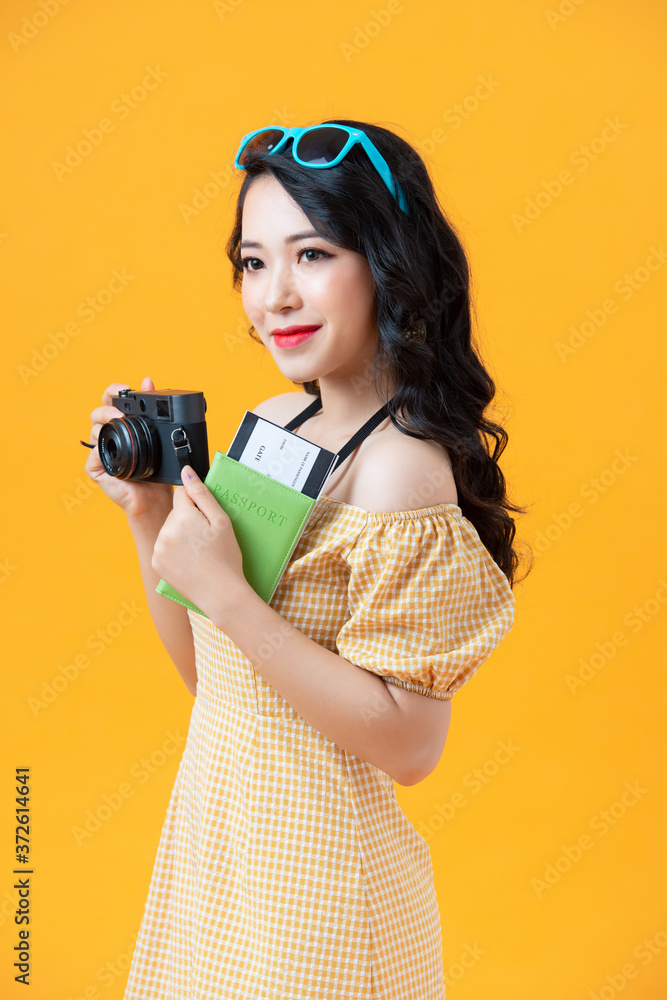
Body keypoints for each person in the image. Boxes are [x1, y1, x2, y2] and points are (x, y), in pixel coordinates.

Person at [85, 119, 530, 999]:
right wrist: (149, 517)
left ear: (387, 265)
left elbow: (409, 745)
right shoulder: (270, 426)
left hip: (322, 893)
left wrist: (232, 595)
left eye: (312, 254)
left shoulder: (401, 467)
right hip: (219, 865)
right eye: (253, 262)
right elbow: (217, 678)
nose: (274, 295)